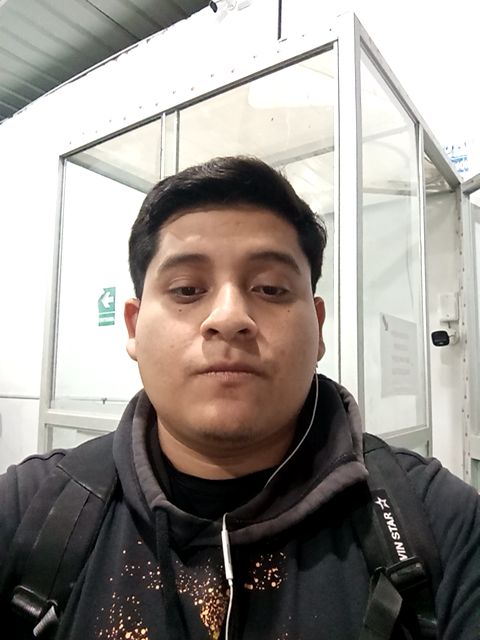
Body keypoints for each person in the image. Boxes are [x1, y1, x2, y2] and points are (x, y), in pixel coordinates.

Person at [0, 156, 479, 640]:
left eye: (270, 288)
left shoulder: (444, 523)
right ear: (134, 327)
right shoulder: (27, 512)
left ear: (318, 328)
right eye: (187, 289)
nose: (229, 317)